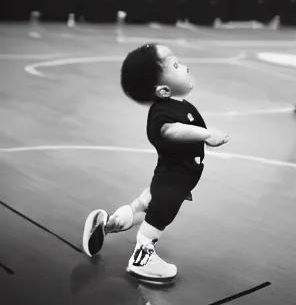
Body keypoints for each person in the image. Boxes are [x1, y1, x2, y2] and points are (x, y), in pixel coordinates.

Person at [82, 44, 230, 283]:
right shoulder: (162, 114)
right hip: (174, 177)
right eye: (175, 65)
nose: (185, 66)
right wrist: (205, 134)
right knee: (161, 214)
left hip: (170, 174)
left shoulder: (176, 106)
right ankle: (142, 258)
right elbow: (170, 132)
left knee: (146, 205)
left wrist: (204, 136)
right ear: (163, 89)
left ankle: (110, 223)